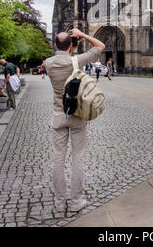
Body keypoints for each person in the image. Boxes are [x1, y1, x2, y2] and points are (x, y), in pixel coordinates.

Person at [45, 28, 105, 213]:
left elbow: (57, 58)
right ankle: (76, 201)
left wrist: (69, 45)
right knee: (77, 157)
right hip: (77, 115)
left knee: (58, 158)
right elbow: (101, 46)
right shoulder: (77, 61)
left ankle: (60, 201)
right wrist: (82, 35)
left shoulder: (47, 63)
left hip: (58, 115)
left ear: (55, 45)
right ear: (71, 45)